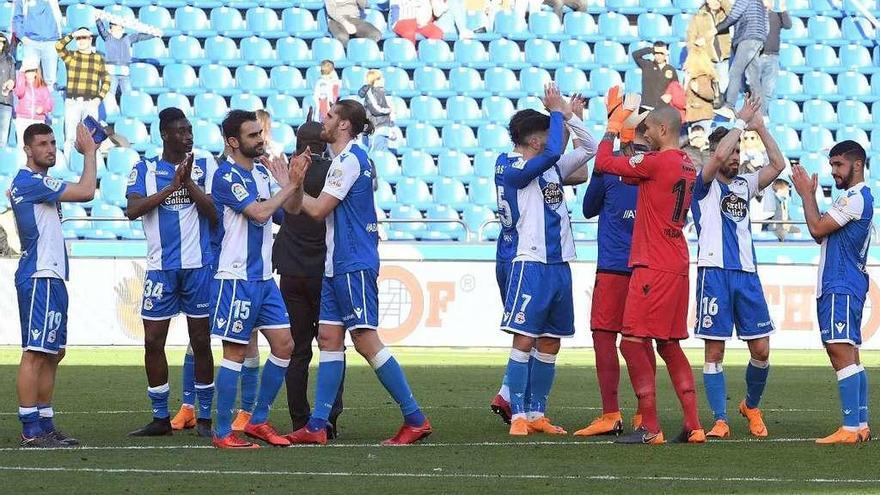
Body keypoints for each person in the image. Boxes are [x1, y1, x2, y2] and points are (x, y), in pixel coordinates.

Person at [287, 100, 432, 446]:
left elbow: (318, 209)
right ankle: (318, 425)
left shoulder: (349, 160)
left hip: (352, 263)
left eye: (331, 115)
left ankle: (415, 418)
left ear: (344, 126)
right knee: (329, 339)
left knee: (366, 341)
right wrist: (290, 185)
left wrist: (294, 185)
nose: (325, 119)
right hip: (337, 265)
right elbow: (298, 209)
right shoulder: (346, 160)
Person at [594, 96, 704, 445]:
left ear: (661, 129)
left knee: (631, 342)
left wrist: (613, 128)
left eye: (647, 129)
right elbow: (631, 173)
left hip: (652, 264)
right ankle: (694, 425)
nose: (645, 134)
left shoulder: (657, 162)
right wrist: (628, 142)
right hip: (678, 262)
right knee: (669, 344)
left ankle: (651, 427)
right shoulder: (686, 164)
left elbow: (603, 163)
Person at [489, 91, 595, 425]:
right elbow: (553, 151)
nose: (554, 141)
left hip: (559, 263)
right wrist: (557, 113)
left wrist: (570, 116)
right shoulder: (510, 166)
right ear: (536, 140)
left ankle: (537, 413)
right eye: (549, 133)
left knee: (550, 340)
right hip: (529, 261)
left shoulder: (547, 168)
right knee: (525, 337)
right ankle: (517, 413)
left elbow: (589, 150)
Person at [208, 110, 310, 449]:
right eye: (252, 135)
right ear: (233, 142)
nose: (260, 139)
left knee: (285, 345)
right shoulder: (226, 176)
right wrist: (291, 186)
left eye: (260, 133)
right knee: (235, 353)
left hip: (264, 279)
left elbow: (290, 211)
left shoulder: (263, 175)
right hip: (236, 278)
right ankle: (222, 431)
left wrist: (292, 186)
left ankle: (258, 420)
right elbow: (260, 213)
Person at [691, 97, 788, 440]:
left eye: (737, 154)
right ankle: (719, 418)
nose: (734, 158)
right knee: (714, 350)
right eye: (730, 153)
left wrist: (758, 127)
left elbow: (778, 164)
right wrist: (739, 122)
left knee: (761, 349)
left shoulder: (745, 184)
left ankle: (750, 404)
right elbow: (716, 155)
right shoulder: (701, 185)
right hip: (713, 274)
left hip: (747, 275)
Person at [124, 108, 218, 438]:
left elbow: (215, 213)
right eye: (180, 131)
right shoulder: (144, 169)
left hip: (198, 267)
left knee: (201, 340)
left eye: (189, 129)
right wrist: (169, 189)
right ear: (165, 134)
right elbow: (132, 211)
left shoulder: (205, 164)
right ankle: (160, 417)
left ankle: (204, 417)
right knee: (152, 341)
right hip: (160, 269)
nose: (188, 135)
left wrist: (188, 183)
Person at [12, 122, 98, 447]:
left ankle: (45, 424)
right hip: (39, 275)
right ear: (28, 150)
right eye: (42, 144)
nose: (50, 149)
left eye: (52, 143)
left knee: (53, 352)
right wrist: (90, 152)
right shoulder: (30, 181)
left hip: (52, 275)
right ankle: (30, 430)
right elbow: (87, 191)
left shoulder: (38, 184)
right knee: (35, 352)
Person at [574, 91, 650, 437]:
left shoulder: (608, 169)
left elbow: (588, 208)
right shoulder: (656, 167)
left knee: (605, 337)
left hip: (613, 267)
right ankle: (643, 415)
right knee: (640, 341)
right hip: (648, 269)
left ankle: (610, 414)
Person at [791, 141, 873, 444]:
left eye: (838, 165)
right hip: (844, 283)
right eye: (832, 165)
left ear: (857, 165)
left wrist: (806, 195)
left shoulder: (854, 198)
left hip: (841, 284)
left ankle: (850, 428)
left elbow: (815, 228)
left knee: (839, 350)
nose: (833, 171)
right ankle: (860, 423)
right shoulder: (851, 199)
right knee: (850, 353)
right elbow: (821, 233)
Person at [273, 118, 345, 438]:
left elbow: (277, 214)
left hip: (291, 269)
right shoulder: (337, 171)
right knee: (332, 347)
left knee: (298, 349)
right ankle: (328, 419)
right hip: (324, 272)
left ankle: (299, 420)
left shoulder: (289, 172)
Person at [56, 27, 110, 160]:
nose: (81, 40)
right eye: (78, 38)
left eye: (84, 37)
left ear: (90, 39)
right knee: (70, 137)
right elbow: (58, 46)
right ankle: (69, 166)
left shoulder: (98, 58)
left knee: (92, 137)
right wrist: (72, 34)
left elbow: (107, 80)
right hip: (72, 102)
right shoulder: (71, 56)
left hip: (91, 102)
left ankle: (91, 167)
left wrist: (99, 98)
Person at [95, 12, 160, 115]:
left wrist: (153, 34)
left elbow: (140, 37)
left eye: (117, 28)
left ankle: (130, 112)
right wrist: (98, 20)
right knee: (109, 94)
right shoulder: (108, 38)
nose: (115, 30)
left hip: (125, 73)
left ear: (122, 29)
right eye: (112, 28)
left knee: (128, 94)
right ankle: (109, 113)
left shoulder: (128, 38)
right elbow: (102, 30)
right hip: (112, 73)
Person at [715, 0, 768, 117]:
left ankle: (729, 106)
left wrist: (716, 29)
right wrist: (762, 41)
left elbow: (733, 17)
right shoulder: (759, 3)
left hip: (747, 38)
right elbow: (766, 24)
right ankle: (762, 114)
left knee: (735, 72)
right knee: (753, 78)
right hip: (758, 39)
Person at [12, 0, 62, 89]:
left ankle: (48, 101)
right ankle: (29, 101)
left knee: (50, 79)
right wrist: (22, 37)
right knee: (29, 77)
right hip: (30, 42)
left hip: (51, 41)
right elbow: (16, 19)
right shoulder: (22, 1)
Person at [687, 0, 732, 92]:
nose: (716, 2)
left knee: (723, 84)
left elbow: (734, 12)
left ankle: (718, 100)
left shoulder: (725, 14)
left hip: (723, 57)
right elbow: (691, 37)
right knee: (707, 86)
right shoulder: (699, 16)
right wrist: (692, 56)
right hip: (707, 58)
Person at [759, 0, 792, 112]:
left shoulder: (777, 15)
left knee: (768, 90)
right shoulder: (755, 15)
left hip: (772, 57)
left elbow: (788, 25)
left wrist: (783, 9)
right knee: (753, 88)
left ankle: (761, 115)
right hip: (756, 56)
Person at [14, 57, 53, 148]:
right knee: (22, 146)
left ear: (36, 72)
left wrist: (43, 109)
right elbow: (19, 92)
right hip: (23, 119)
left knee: (38, 147)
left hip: (38, 120)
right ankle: (22, 162)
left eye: (32, 71)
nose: (30, 74)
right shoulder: (22, 84)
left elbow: (49, 104)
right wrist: (21, 74)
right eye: (27, 71)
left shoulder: (42, 87)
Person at [358, 70, 399, 154]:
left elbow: (390, 108)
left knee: (382, 152)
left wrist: (391, 126)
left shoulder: (383, 92)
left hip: (384, 126)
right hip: (376, 127)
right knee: (377, 153)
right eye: (381, 78)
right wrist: (389, 110)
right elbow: (376, 109)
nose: (384, 79)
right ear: (375, 80)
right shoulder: (371, 93)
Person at [632, 42, 678, 109]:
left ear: (666, 54)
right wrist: (651, 49)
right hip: (647, 106)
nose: (658, 56)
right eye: (656, 53)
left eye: (661, 53)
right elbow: (635, 55)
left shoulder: (671, 69)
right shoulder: (647, 65)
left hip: (664, 107)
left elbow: (675, 87)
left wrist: (670, 95)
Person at [683, 47, 719, 134]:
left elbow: (710, 95)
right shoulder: (690, 77)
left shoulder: (703, 77)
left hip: (702, 115)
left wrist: (697, 89)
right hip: (692, 115)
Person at [0, 33, 15, 147]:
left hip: (6, 100)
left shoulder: (10, 59)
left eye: (2, 42)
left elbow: (13, 79)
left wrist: (11, 83)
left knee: (3, 137)